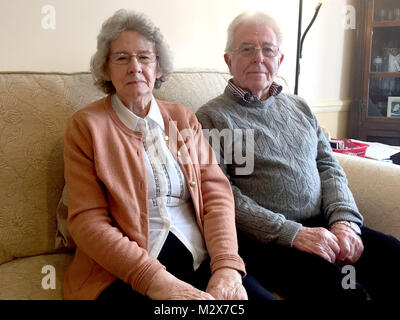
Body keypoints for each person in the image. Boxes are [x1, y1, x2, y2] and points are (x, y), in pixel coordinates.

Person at [63, 9, 275, 301]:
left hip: (198, 257)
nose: (135, 67)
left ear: (159, 68)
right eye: (122, 58)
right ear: (106, 69)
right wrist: (155, 281)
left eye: (145, 57)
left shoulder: (182, 118)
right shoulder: (86, 126)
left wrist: (226, 265)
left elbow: (216, 192)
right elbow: (87, 221)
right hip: (124, 271)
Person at [196, 10, 400, 300]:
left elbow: (329, 166)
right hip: (267, 241)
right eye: (247, 49)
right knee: (345, 290)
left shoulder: (300, 107)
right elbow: (220, 193)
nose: (258, 57)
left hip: (324, 225)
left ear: (279, 60)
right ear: (228, 60)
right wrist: (293, 233)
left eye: (268, 49)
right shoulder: (211, 117)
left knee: (392, 254)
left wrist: (344, 222)